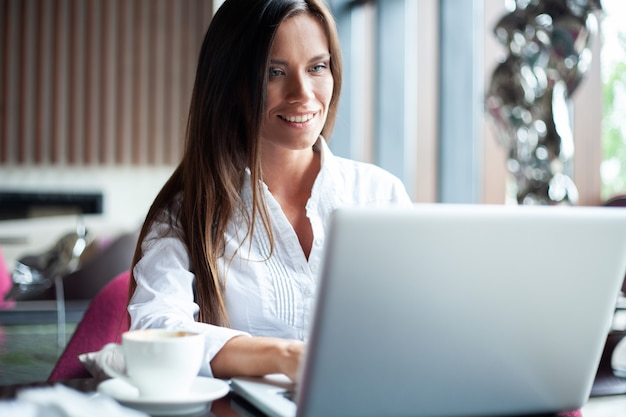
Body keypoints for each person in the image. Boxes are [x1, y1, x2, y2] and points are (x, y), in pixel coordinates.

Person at [127, 0, 412, 383]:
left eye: (317, 67)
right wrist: (284, 355)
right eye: (274, 72)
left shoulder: (381, 195)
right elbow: (155, 329)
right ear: (232, 84)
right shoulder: (186, 215)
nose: (303, 93)